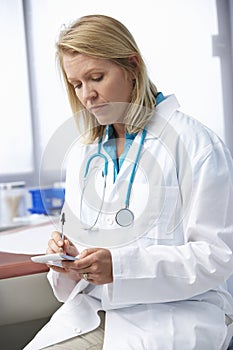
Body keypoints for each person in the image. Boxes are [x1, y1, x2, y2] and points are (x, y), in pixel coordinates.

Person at [24, 14, 233, 350]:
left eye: (96, 77)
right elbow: (81, 239)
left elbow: (216, 257)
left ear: (132, 67)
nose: (87, 95)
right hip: (95, 309)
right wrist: (70, 260)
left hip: (175, 315)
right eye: (76, 84)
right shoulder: (85, 153)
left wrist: (120, 267)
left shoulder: (195, 144)